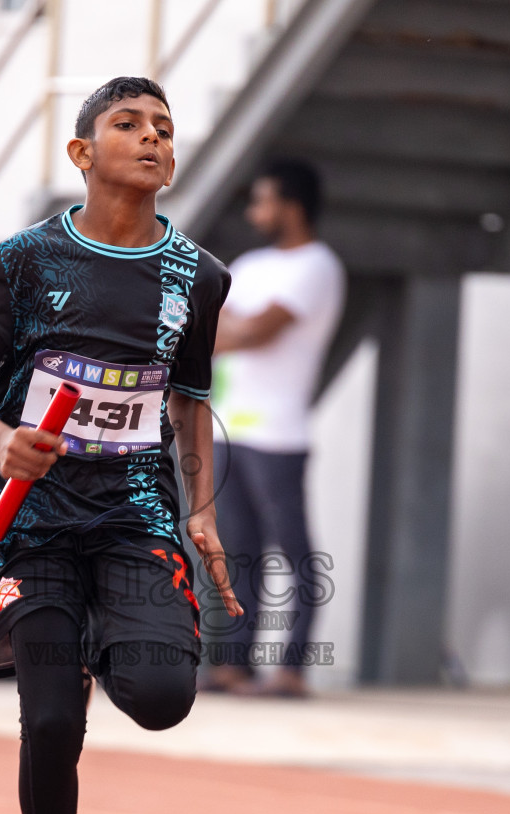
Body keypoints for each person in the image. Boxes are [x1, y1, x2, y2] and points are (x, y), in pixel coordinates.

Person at [0, 77, 241, 814]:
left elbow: (186, 401)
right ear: (82, 153)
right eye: (128, 124)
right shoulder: (23, 263)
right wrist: (2, 440)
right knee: (53, 722)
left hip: (134, 518)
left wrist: (204, 510)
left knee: (160, 696)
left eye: (165, 129)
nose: (152, 140)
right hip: (32, 522)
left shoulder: (199, 276)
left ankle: (107, 628)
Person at [203, 159, 345, 698]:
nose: (253, 211)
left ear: (292, 206)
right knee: (238, 552)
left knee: (294, 552)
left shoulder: (317, 265)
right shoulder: (252, 262)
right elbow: (206, 328)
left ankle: (292, 670)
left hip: (279, 433)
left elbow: (257, 333)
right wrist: (231, 327)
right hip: (228, 428)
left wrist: (232, 325)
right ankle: (234, 666)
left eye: (263, 200)